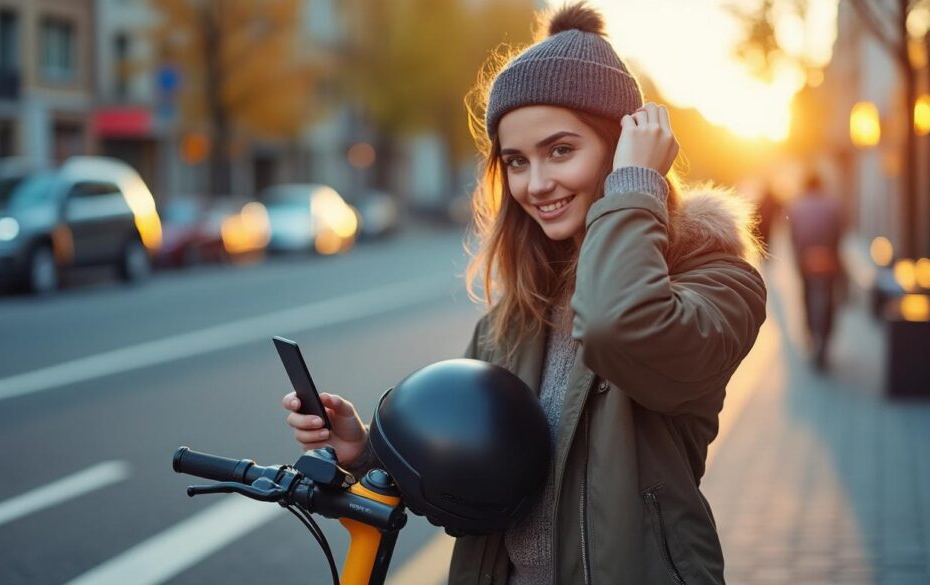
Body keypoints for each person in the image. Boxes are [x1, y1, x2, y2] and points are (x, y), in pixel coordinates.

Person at [283, 3, 767, 584]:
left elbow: (617, 325)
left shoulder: (716, 279)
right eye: (516, 161)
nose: (536, 185)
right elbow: (475, 470)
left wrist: (636, 185)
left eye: (561, 150)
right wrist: (367, 452)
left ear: (623, 145)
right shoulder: (519, 309)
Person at [787, 171, 844, 371]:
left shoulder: (796, 205)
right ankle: (825, 341)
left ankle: (811, 337)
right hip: (828, 258)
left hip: (806, 259)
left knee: (806, 298)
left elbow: (793, 236)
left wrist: (797, 261)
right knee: (828, 301)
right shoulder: (833, 204)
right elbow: (839, 233)